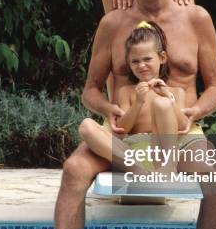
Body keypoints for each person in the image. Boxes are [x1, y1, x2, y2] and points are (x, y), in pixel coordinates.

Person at [40, 0, 216, 229]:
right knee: (74, 169)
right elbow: (90, 90)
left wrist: (193, 112)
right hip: (123, 132)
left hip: (178, 131)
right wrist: (109, 108)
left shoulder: (196, 19)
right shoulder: (113, 23)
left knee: (215, 176)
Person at [78, 20, 189, 175]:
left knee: (162, 104)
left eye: (147, 59)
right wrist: (138, 103)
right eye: (135, 61)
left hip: (161, 150)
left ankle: (168, 170)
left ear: (162, 57)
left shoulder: (176, 92)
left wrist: (169, 98)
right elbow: (122, 130)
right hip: (131, 153)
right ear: (129, 64)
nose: (141, 65)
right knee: (86, 125)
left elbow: (184, 126)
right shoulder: (127, 92)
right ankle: (140, 171)